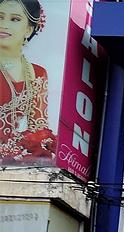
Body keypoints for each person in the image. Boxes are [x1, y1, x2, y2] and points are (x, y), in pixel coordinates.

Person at [0, 0, 54, 165]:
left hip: (12, 163)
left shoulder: (37, 73)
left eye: (14, 19)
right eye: (0, 17)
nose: (4, 24)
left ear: (29, 29)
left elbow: (38, 127)